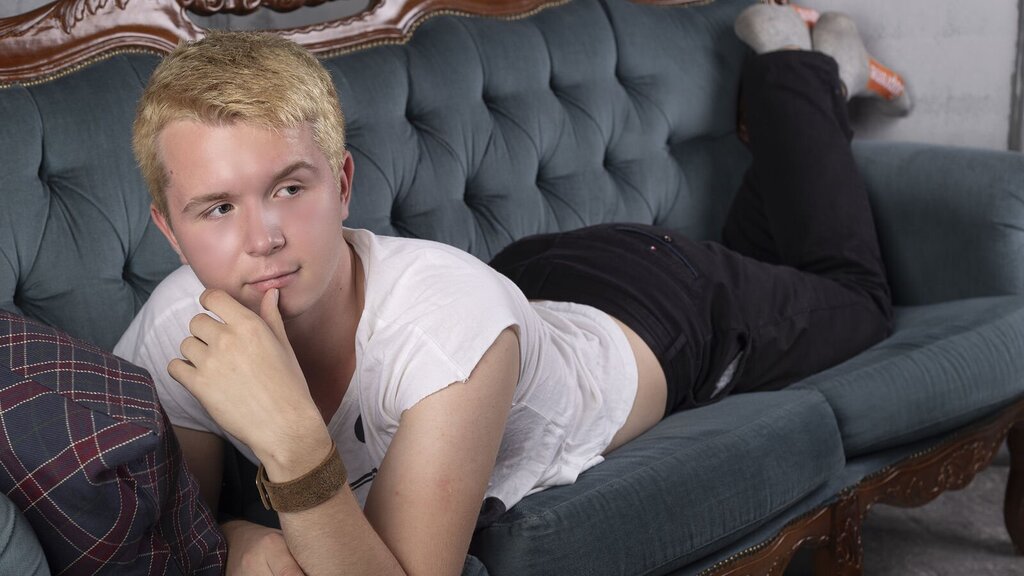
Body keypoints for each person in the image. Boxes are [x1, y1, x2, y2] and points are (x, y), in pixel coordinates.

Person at [114, 4, 903, 574]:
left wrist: (293, 441)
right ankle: (804, 112)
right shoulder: (177, 323)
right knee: (775, 261)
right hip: (528, 283)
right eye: (217, 208)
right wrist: (237, 540)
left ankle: (796, 68)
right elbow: (179, 528)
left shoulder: (445, 331)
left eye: (290, 188)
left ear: (344, 184)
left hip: (669, 305)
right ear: (169, 230)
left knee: (856, 297)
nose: (263, 238)